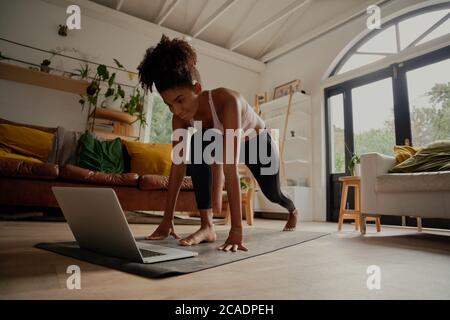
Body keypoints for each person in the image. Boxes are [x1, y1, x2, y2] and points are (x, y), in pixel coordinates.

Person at [138, 35, 298, 252]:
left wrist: (236, 230)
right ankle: (207, 226)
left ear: (197, 89)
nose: (176, 111)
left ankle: (293, 210)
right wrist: (167, 220)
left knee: (273, 194)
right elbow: (178, 166)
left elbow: (229, 169)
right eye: (169, 105)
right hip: (228, 142)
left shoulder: (227, 101)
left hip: (258, 143)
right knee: (196, 144)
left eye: (180, 100)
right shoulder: (180, 118)